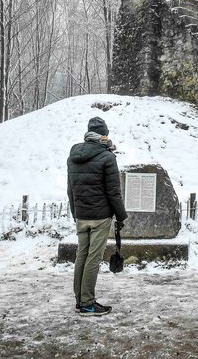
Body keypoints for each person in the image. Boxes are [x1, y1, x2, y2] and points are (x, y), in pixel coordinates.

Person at [68, 117, 127, 316]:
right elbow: (113, 192)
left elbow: (71, 189)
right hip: (100, 216)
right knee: (93, 259)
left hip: (82, 215)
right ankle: (88, 303)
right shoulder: (107, 157)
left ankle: (80, 300)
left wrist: (75, 212)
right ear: (104, 134)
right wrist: (121, 216)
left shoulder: (74, 154)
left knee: (81, 256)